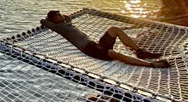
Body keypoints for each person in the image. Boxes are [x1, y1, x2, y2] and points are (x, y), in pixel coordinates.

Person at [41, 10, 169, 68]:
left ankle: (140, 51)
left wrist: (61, 16)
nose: (60, 15)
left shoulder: (66, 22)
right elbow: (44, 21)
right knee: (114, 54)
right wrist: (49, 19)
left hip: (95, 44)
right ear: (53, 20)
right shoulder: (58, 27)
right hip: (90, 49)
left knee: (114, 29)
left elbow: (67, 17)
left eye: (59, 13)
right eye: (56, 15)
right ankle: (151, 65)